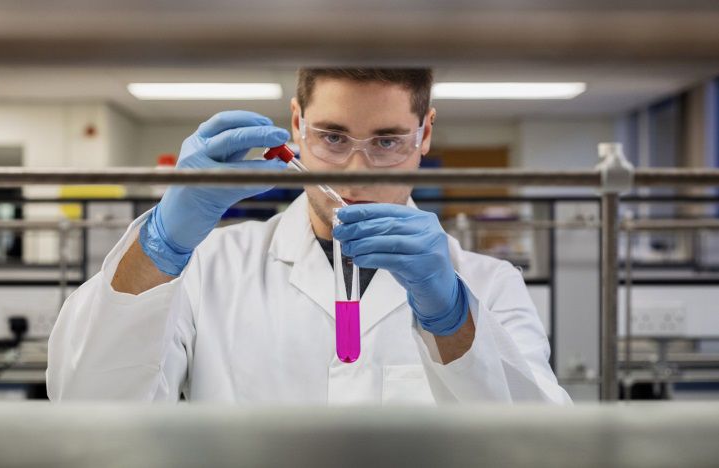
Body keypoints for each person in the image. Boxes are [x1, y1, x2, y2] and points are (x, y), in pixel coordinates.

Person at [47, 68, 571, 404]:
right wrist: (163, 241)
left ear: (425, 132)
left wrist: (452, 317)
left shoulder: (489, 284)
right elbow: (88, 404)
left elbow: (538, 449)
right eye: (333, 136)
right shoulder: (212, 267)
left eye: (387, 140)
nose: (357, 169)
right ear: (297, 124)